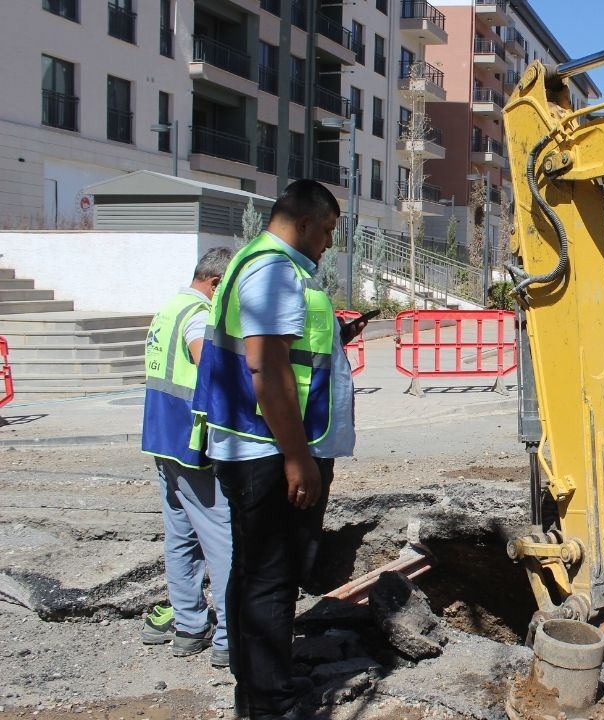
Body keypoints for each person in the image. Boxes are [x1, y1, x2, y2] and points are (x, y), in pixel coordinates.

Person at [191, 180, 369, 720]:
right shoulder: (273, 271)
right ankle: (270, 702)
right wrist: (297, 458)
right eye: (329, 232)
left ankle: (256, 692)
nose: (328, 245)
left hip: (257, 446)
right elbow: (266, 369)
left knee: (252, 573)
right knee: (272, 579)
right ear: (308, 221)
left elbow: (283, 355)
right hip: (266, 451)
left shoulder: (259, 263)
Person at [140, 246, 235, 667]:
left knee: (180, 537)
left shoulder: (169, 308)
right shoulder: (199, 313)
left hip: (161, 438)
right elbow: (205, 361)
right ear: (215, 283)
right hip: (190, 441)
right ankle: (231, 640)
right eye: (228, 288)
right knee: (222, 539)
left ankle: (189, 627)